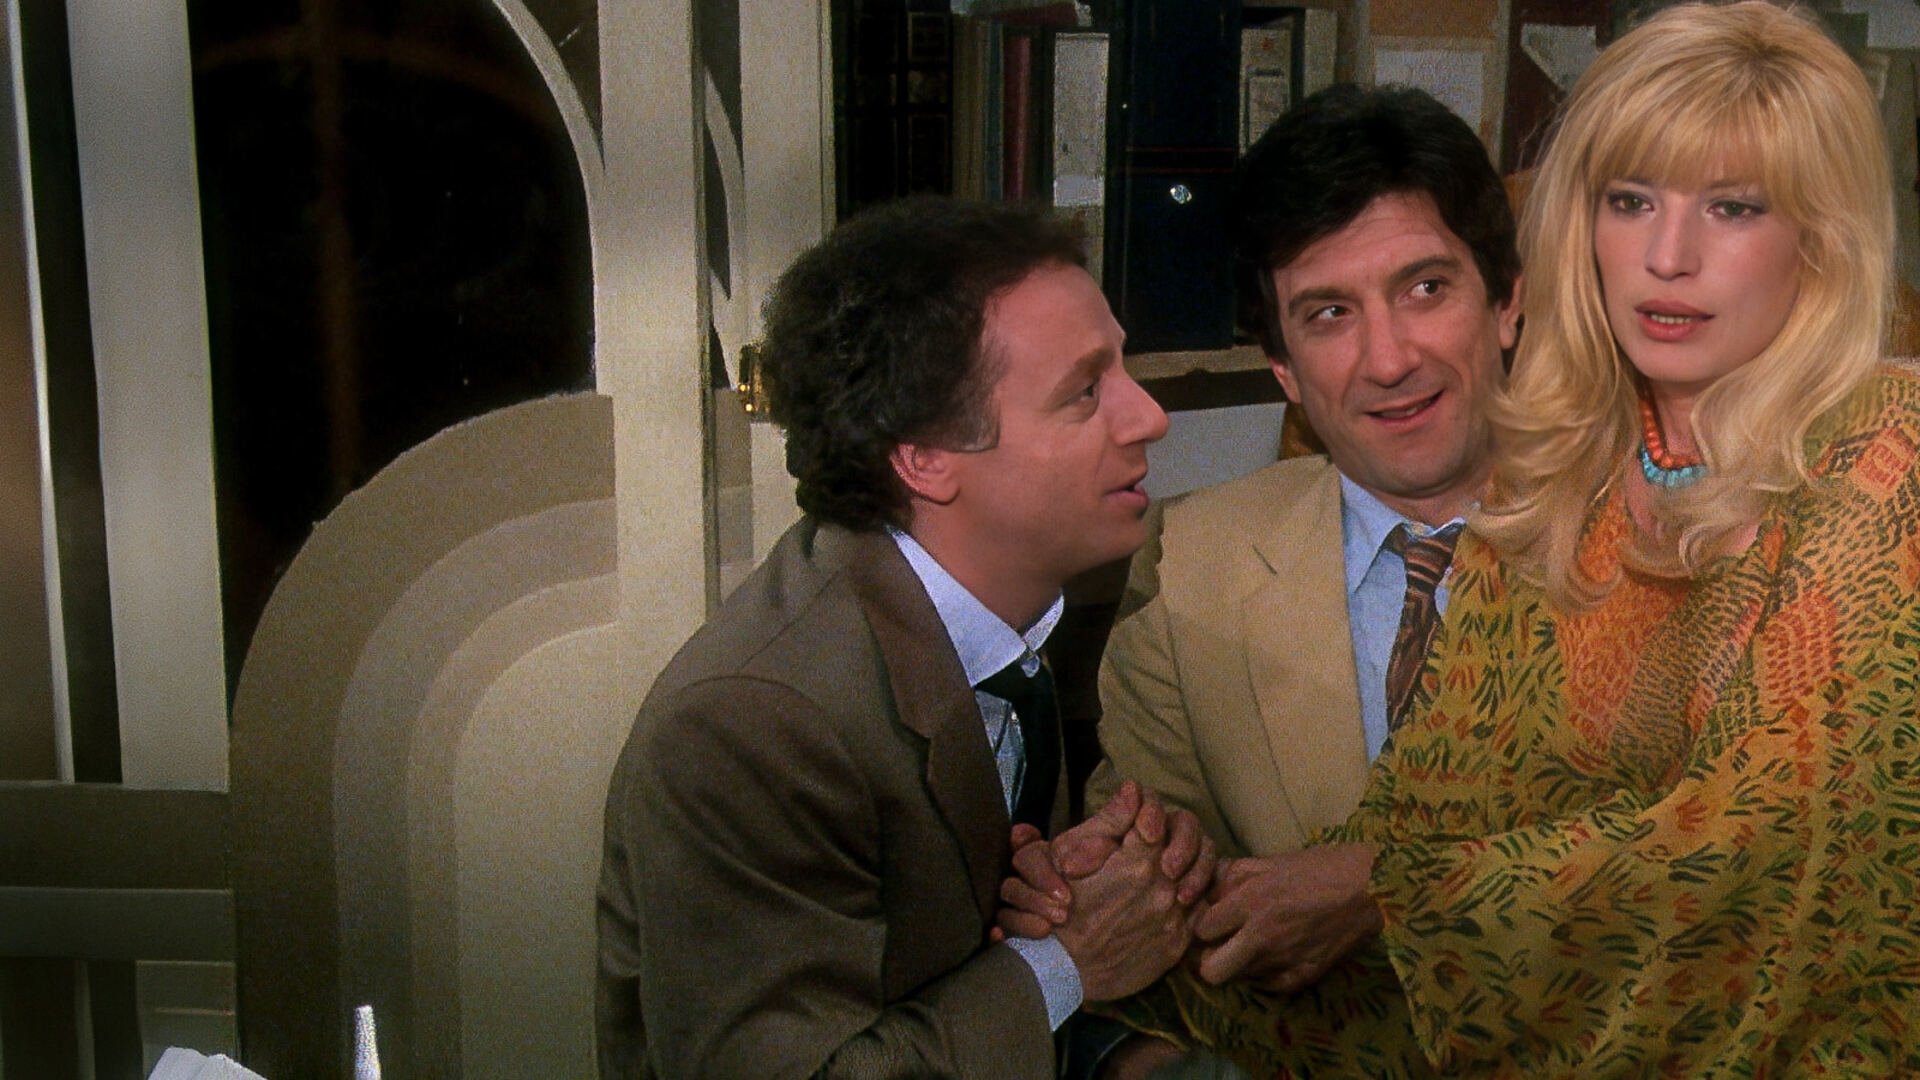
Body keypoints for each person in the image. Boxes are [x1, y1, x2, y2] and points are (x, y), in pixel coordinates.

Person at [1068, 3, 1920, 1075]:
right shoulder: (1575, 487)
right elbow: (1423, 823)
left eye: (1734, 207)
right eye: (1630, 201)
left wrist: (1388, 895)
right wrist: (1083, 931)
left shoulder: (1890, 450)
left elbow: (1788, 845)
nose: (1668, 256)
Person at [594, 195, 1216, 1079]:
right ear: (923, 455)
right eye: (1085, 391)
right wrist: (1069, 962)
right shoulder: (750, 723)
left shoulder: (1011, 612)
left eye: (1123, 367)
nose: (1148, 416)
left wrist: (1105, 890)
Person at [999, 83, 1519, 1076]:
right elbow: (1160, 905)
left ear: (1507, 304)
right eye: (1329, 314)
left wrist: (1388, 891)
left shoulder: (1665, 544)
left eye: (1425, 289)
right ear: (1282, 367)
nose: (1389, 358)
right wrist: (1090, 890)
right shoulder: (1193, 559)